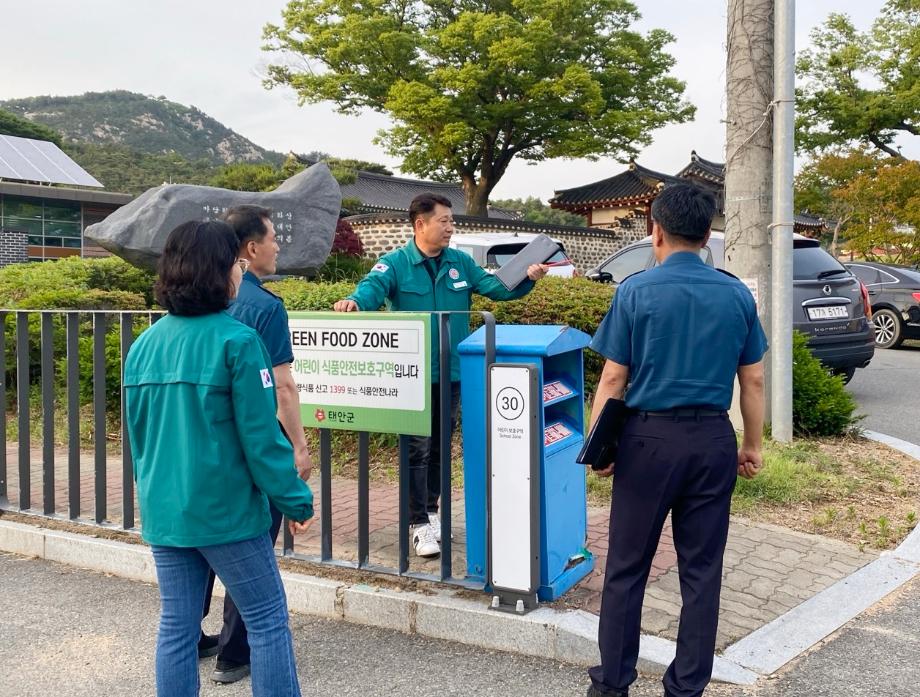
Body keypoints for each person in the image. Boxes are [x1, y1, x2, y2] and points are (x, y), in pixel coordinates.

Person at [585, 183, 767, 697]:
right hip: (712, 439)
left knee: (626, 568)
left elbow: (612, 380)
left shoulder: (636, 290)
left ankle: (613, 684)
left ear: (655, 230)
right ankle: (686, 688)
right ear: (708, 234)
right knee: (702, 572)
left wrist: (602, 446)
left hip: (647, 441)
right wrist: (750, 445)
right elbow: (752, 380)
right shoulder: (735, 294)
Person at [123, 220, 314, 697]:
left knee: (177, 624)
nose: (240, 271)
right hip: (226, 513)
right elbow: (262, 440)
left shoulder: (143, 345)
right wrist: (296, 500)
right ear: (219, 271)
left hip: (166, 512)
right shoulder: (237, 341)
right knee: (267, 618)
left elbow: (139, 435)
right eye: (236, 263)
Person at [333, 192, 549, 558]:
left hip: (450, 373)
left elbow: (497, 289)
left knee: (440, 449)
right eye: (444, 221)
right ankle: (416, 523)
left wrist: (528, 277)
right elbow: (370, 290)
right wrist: (353, 303)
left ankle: (430, 512)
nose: (451, 227)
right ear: (421, 224)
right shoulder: (395, 263)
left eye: (452, 221)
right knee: (416, 449)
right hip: (412, 377)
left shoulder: (460, 263)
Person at [200, 204, 315, 684]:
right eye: (272, 239)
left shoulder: (197, 302)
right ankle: (234, 653)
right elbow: (283, 387)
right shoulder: (265, 307)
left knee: (199, 548)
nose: (277, 247)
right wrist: (300, 447)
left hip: (204, 449)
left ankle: (192, 636)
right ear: (249, 249)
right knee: (254, 552)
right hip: (255, 444)